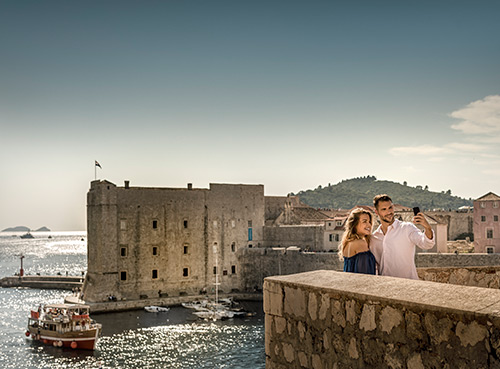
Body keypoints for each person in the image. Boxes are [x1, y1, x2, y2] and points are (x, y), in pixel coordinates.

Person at [370, 194, 435, 279]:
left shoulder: (407, 228)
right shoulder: (374, 238)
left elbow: (426, 244)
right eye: (384, 209)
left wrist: (428, 228)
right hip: (385, 287)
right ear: (376, 212)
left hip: (408, 286)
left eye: (390, 208)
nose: (389, 212)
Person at [339, 208, 376, 275]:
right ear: (355, 224)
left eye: (369, 222)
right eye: (364, 221)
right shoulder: (360, 243)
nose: (369, 225)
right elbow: (366, 274)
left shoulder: (347, 243)